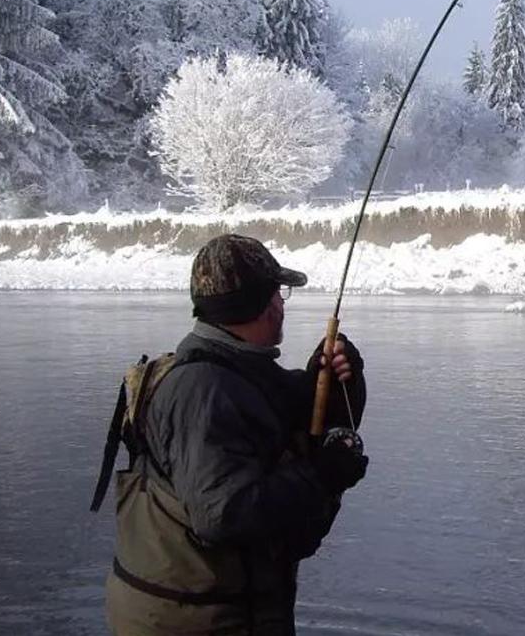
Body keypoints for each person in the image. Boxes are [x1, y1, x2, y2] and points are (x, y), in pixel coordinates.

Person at [103, 233, 369, 635]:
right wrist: (321, 475)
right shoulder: (202, 391)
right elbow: (223, 514)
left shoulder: (238, 372)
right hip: (194, 623)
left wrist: (337, 384)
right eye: (278, 293)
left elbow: (300, 421)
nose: (282, 303)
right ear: (260, 305)